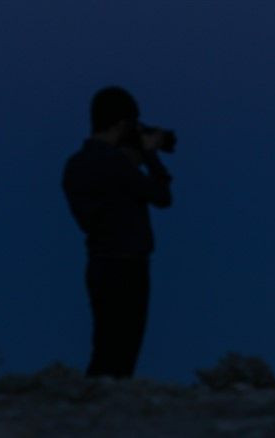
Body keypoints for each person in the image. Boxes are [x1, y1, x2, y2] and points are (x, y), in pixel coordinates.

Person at [62, 86, 173, 378]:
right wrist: (149, 156)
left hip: (99, 262)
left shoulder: (76, 165)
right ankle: (103, 411)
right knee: (122, 353)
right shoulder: (116, 165)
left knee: (105, 345)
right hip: (128, 266)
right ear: (123, 124)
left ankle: (94, 407)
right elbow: (161, 197)